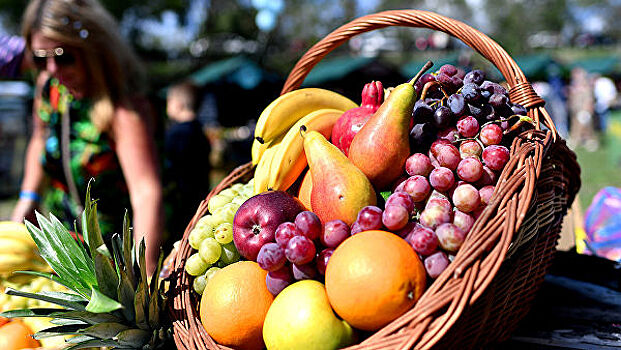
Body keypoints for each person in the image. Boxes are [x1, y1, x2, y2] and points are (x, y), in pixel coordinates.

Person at [10, 0, 163, 275]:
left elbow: (146, 193)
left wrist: (146, 273)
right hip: (68, 243)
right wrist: (29, 197)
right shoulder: (49, 87)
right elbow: (40, 136)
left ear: (92, 50)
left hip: (119, 253)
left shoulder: (122, 107)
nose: (52, 69)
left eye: (63, 56)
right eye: (41, 58)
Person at [164, 81, 212, 236]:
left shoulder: (177, 133)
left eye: (168, 101)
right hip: (199, 196)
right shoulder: (199, 130)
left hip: (180, 200)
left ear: (178, 104)